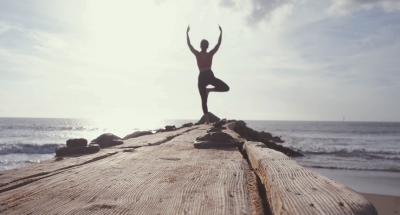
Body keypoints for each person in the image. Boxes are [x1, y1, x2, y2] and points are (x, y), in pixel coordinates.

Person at [186, 25, 229, 124]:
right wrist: (221, 33)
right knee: (225, 88)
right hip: (209, 75)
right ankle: (209, 90)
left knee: (203, 100)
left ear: (201, 46)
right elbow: (218, 44)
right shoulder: (209, 54)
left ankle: (207, 122)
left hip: (202, 76)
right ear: (207, 46)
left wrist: (187, 33)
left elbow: (189, 44)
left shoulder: (198, 54)